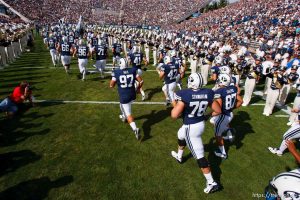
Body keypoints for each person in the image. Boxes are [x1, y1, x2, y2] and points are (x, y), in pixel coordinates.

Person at [171, 72, 221, 194]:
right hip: (200, 124)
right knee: (180, 135)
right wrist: (207, 115)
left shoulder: (185, 94)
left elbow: (174, 115)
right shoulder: (208, 93)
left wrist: (177, 104)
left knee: (199, 156)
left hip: (191, 127)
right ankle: (179, 156)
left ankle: (211, 182)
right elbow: (218, 110)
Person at [110, 58, 143, 140]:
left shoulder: (116, 72)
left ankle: (135, 129)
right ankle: (123, 117)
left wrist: (115, 82)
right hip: (132, 94)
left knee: (128, 113)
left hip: (124, 96)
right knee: (123, 107)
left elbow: (111, 85)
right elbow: (141, 81)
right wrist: (139, 89)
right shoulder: (133, 70)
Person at [212, 73, 243, 159]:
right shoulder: (233, 88)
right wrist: (232, 107)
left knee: (217, 135)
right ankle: (228, 130)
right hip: (230, 114)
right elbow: (241, 101)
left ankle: (223, 153)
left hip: (223, 115)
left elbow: (219, 110)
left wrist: (209, 114)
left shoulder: (219, 91)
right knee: (214, 122)